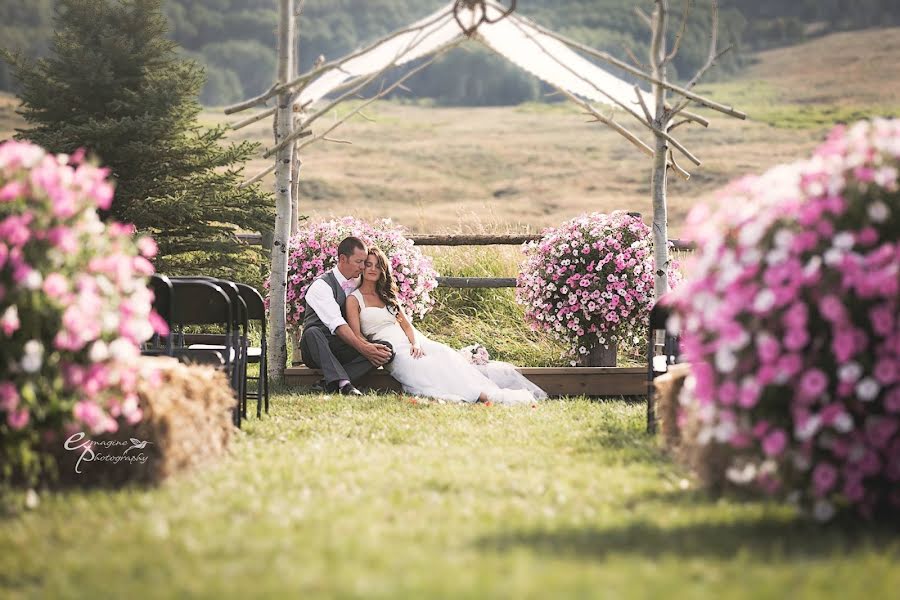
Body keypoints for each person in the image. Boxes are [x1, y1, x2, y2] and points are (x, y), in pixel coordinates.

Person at [345, 246, 537, 404]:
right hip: (390, 349)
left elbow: (407, 326)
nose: (372, 269)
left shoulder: (387, 296)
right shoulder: (354, 299)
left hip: (413, 342)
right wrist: (373, 350)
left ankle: (482, 392)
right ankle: (477, 396)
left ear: (382, 270)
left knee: (446, 356)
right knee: (424, 367)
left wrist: (416, 344)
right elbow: (357, 335)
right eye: (368, 265)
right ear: (362, 268)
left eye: (377, 266)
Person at [299, 236, 394, 395]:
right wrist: (364, 349)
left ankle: (329, 383)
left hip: (342, 346)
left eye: (364, 262)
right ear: (343, 259)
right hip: (317, 347)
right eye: (359, 262)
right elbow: (337, 325)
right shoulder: (321, 286)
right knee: (312, 332)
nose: (363, 267)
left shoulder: (359, 282)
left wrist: (370, 346)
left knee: (386, 349)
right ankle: (345, 385)